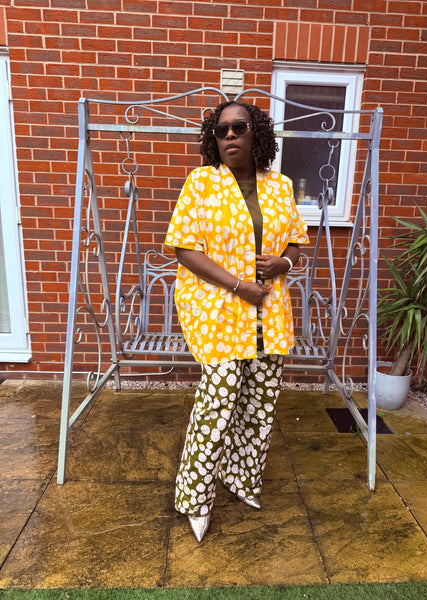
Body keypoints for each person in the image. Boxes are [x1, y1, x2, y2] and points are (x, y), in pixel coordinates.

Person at [164, 100, 309, 542]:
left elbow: (295, 242)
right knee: (218, 401)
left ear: (255, 134)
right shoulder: (201, 183)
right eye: (221, 129)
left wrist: (284, 264)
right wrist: (237, 285)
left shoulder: (280, 186)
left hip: (270, 311)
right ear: (214, 138)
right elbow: (184, 249)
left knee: (260, 401)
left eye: (239, 127)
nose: (229, 135)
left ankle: (242, 478)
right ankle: (195, 498)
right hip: (217, 309)